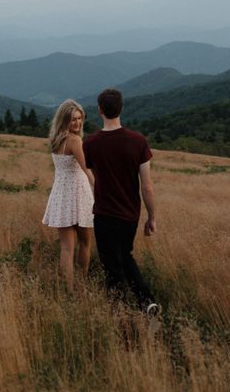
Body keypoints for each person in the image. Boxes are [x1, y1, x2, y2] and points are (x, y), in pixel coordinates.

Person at [83, 88, 159, 315]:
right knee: (125, 256)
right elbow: (147, 186)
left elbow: (92, 175)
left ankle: (118, 314)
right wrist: (151, 217)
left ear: (99, 110)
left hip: (105, 214)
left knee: (112, 266)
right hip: (130, 215)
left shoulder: (91, 144)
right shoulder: (138, 141)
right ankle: (147, 303)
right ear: (122, 108)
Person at [42, 99, 95, 292]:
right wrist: (99, 189)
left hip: (61, 196)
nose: (78, 123)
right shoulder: (75, 140)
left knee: (66, 248)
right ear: (64, 120)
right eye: (73, 119)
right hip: (79, 195)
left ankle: (69, 291)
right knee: (86, 244)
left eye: (80, 119)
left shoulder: (56, 140)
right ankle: (80, 286)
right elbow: (87, 169)